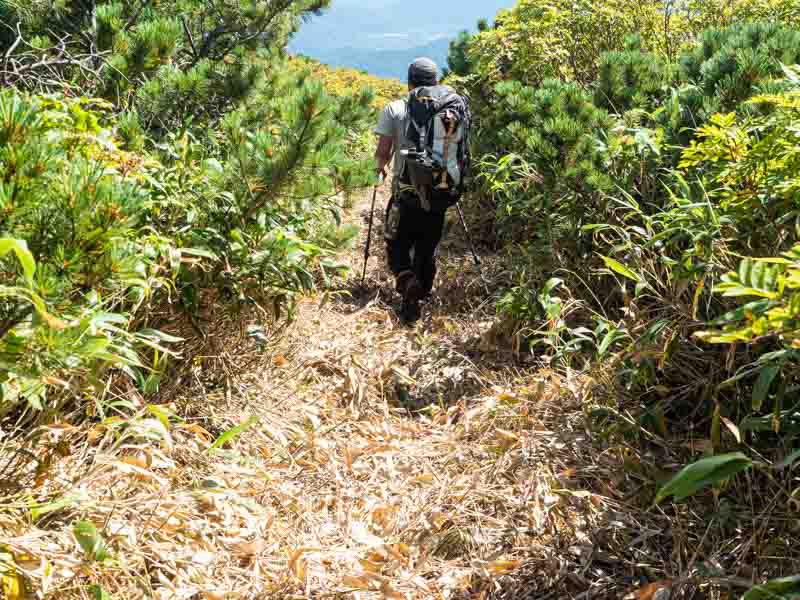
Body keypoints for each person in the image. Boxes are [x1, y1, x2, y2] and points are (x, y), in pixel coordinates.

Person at [374, 57, 447, 323]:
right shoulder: (447, 109)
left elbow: (383, 152)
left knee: (396, 242)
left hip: (405, 192)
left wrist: (380, 169)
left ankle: (406, 280)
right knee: (427, 247)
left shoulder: (394, 109)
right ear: (436, 82)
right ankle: (421, 291)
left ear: (409, 81)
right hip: (439, 193)